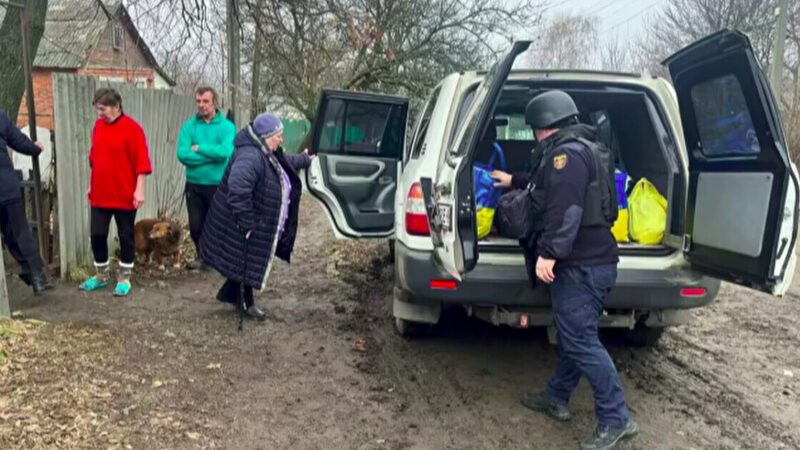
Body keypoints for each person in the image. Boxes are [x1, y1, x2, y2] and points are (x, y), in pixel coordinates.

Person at [494, 90, 637, 450]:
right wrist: (514, 180)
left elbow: (566, 209)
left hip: (582, 266)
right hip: (593, 263)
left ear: (544, 126)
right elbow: (547, 189)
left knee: (580, 340)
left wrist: (549, 254)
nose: (534, 136)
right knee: (575, 333)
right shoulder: (580, 148)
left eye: (534, 129)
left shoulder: (565, 156)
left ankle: (616, 418)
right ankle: (556, 397)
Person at [200, 113, 313, 320]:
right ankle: (245, 302)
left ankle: (234, 296)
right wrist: (247, 222)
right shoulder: (250, 156)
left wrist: (305, 159)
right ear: (266, 136)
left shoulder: (263, 150)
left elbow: (283, 161)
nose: (281, 139)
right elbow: (238, 189)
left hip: (250, 219)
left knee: (245, 260)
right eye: (278, 135)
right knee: (246, 260)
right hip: (241, 220)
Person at [79, 88, 152, 297]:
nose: (99, 113)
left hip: (124, 194)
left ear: (116, 106)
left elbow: (142, 162)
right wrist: (92, 185)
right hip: (101, 193)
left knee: (126, 236)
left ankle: (125, 277)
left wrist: (139, 190)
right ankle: (101, 275)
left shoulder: (133, 129)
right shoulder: (98, 127)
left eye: (102, 109)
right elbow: (96, 157)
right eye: (98, 109)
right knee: (97, 234)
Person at [176, 86, 236, 270]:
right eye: (198, 101)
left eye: (205, 101)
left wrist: (200, 148)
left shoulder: (227, 127)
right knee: (196, 225)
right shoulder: (189, 126)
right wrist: (211, 157)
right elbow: (183, 155)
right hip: (194, 185)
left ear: (214, 102)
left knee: (217, 223)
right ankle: (202, 257)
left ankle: (218, 258)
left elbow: (225, 152)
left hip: (217, 184)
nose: (201, 105)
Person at [0, 109, 53, 295]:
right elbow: (18, 140)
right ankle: (36, 277)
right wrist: (35, 148)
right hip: (6, 186)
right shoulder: (1, 116)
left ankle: (34, 276)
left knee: (14, 234)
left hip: (5, 185)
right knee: (18, 233)